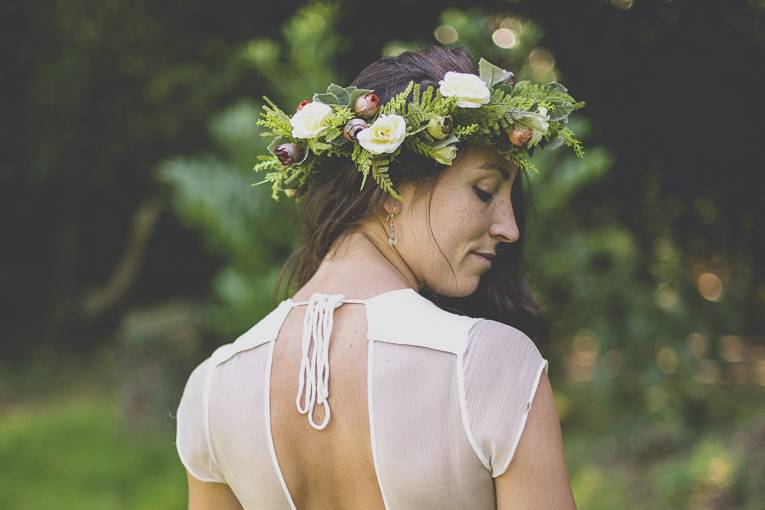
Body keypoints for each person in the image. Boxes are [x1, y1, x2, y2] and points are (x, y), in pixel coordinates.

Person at [175, 45, 579, 509]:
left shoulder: (210, 390)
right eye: (485, 191)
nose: (510, 227)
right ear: (389, 191)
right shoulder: (490, 364)